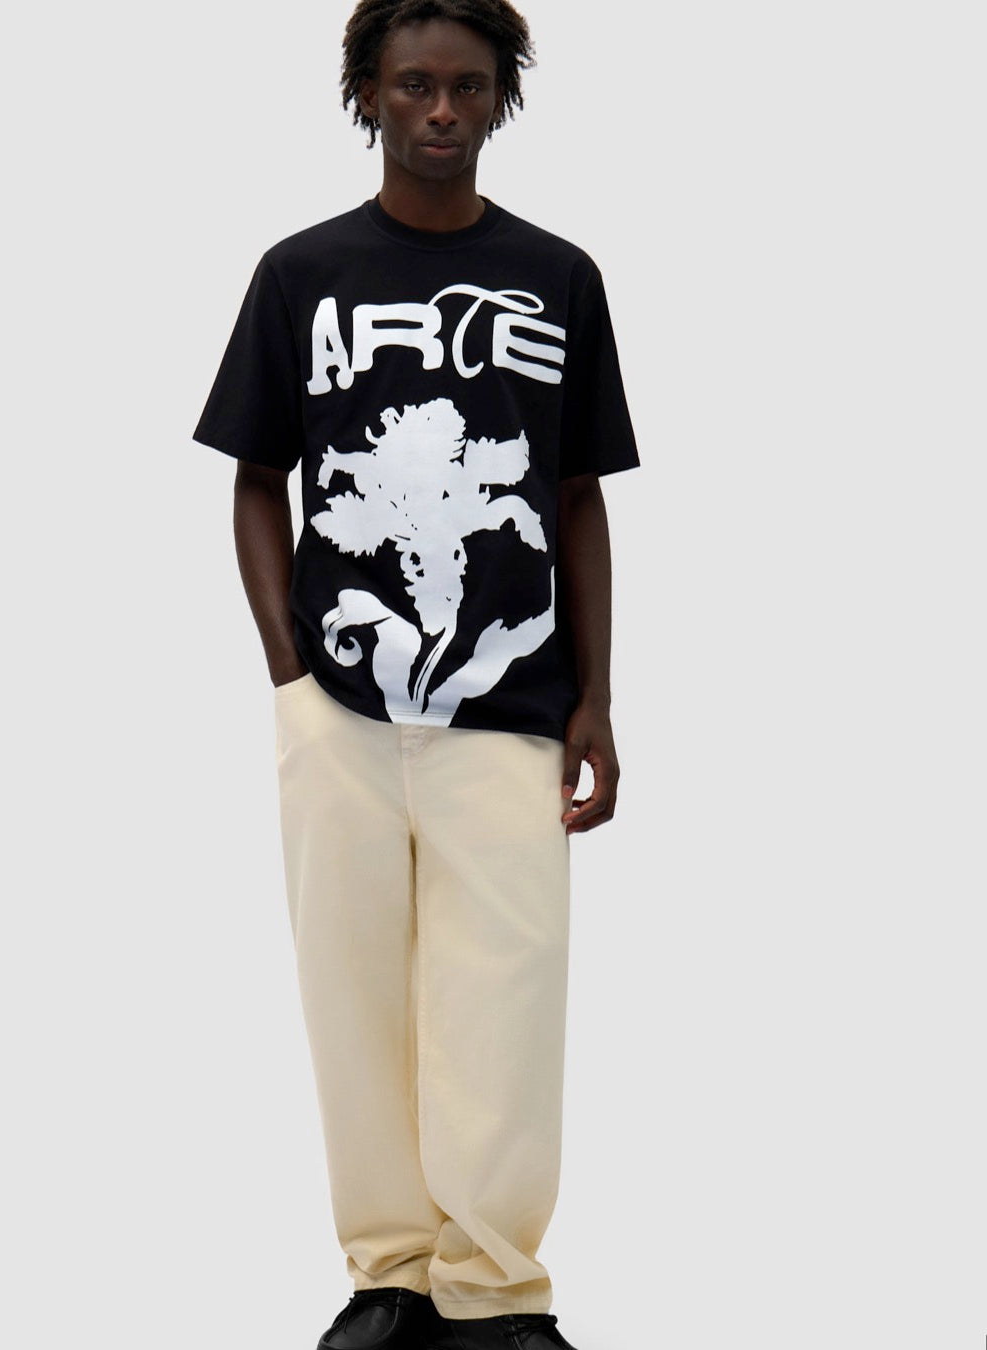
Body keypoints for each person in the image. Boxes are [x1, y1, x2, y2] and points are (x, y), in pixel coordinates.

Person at [191, 2, 640, 1346]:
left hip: (510, 699)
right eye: (412, 86)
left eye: (467, 87)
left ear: (501, 98)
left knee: (507, 994)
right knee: (351, 989)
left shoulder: (559, 278)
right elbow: (258, 479)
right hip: (339, 699)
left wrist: (597, 696)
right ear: (368, 95)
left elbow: (577, 496)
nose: (440, 110)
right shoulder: (300, 274)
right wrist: (288, 668)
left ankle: (493, 1285)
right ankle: (389, 1274)